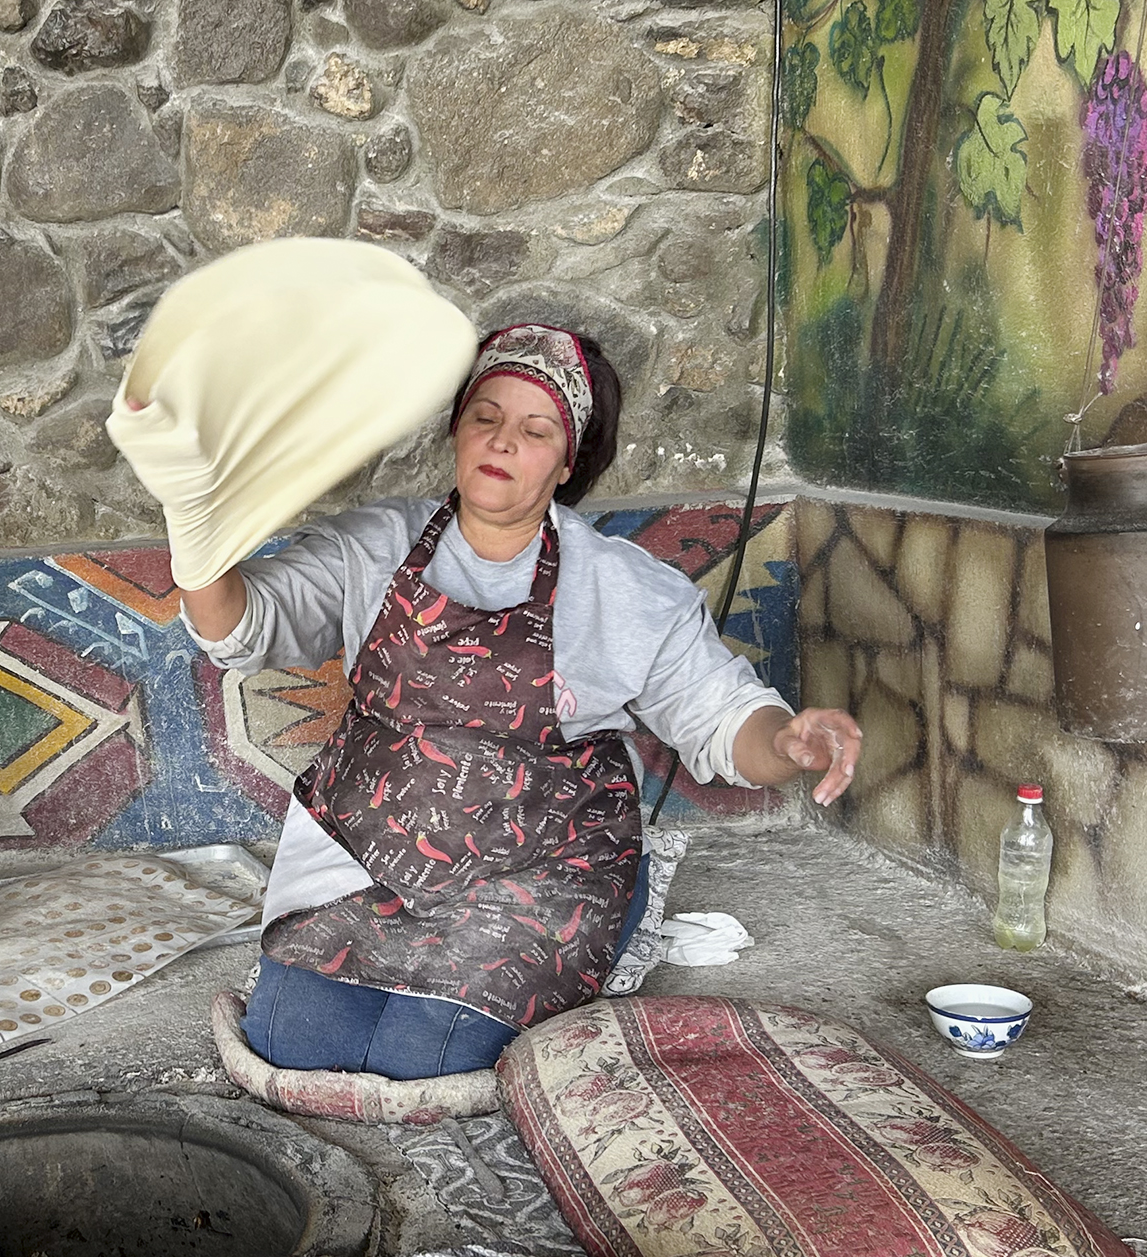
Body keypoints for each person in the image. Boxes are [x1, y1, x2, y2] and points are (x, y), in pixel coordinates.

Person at [176, 324, 863, 1080]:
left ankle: (605, 931)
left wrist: (787, 742)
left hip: (541, 875)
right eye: (485, 417)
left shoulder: (622, 588)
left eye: (535, 430)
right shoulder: (373, 546)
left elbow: (724, 720)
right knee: (295, 1049)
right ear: (457, 432)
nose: (502, 441)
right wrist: (193, 521)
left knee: (423, 1061)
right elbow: (239, 627)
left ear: (568, 461)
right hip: (366, 854)